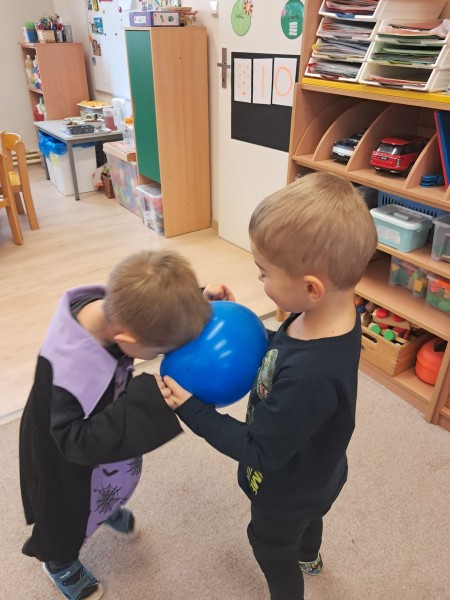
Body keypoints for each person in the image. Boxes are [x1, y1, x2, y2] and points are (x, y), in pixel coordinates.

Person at [162, 172, 378, 600]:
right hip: (321, 470)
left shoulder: (310, 377)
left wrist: (192, 409)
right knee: (311, 517)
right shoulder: (329, 316)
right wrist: (240, 325)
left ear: (311, 288)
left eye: (263, 273)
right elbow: (283, 352)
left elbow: (260, 449)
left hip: (285, 491)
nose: (259, 281)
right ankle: (310, 556)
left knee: (271, 549)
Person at [19, 249, 212, 600]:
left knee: (109, 478)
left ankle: (102, 507)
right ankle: (59, 562)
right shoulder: (70, 370)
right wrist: (146, 400)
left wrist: (199, 302)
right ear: (127, 340)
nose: (156, 357)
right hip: (62, 449)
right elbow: (74, 444)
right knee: (65, 511)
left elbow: (155, 305)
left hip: (100, 414)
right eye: (157, 351)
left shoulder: (119, 305)